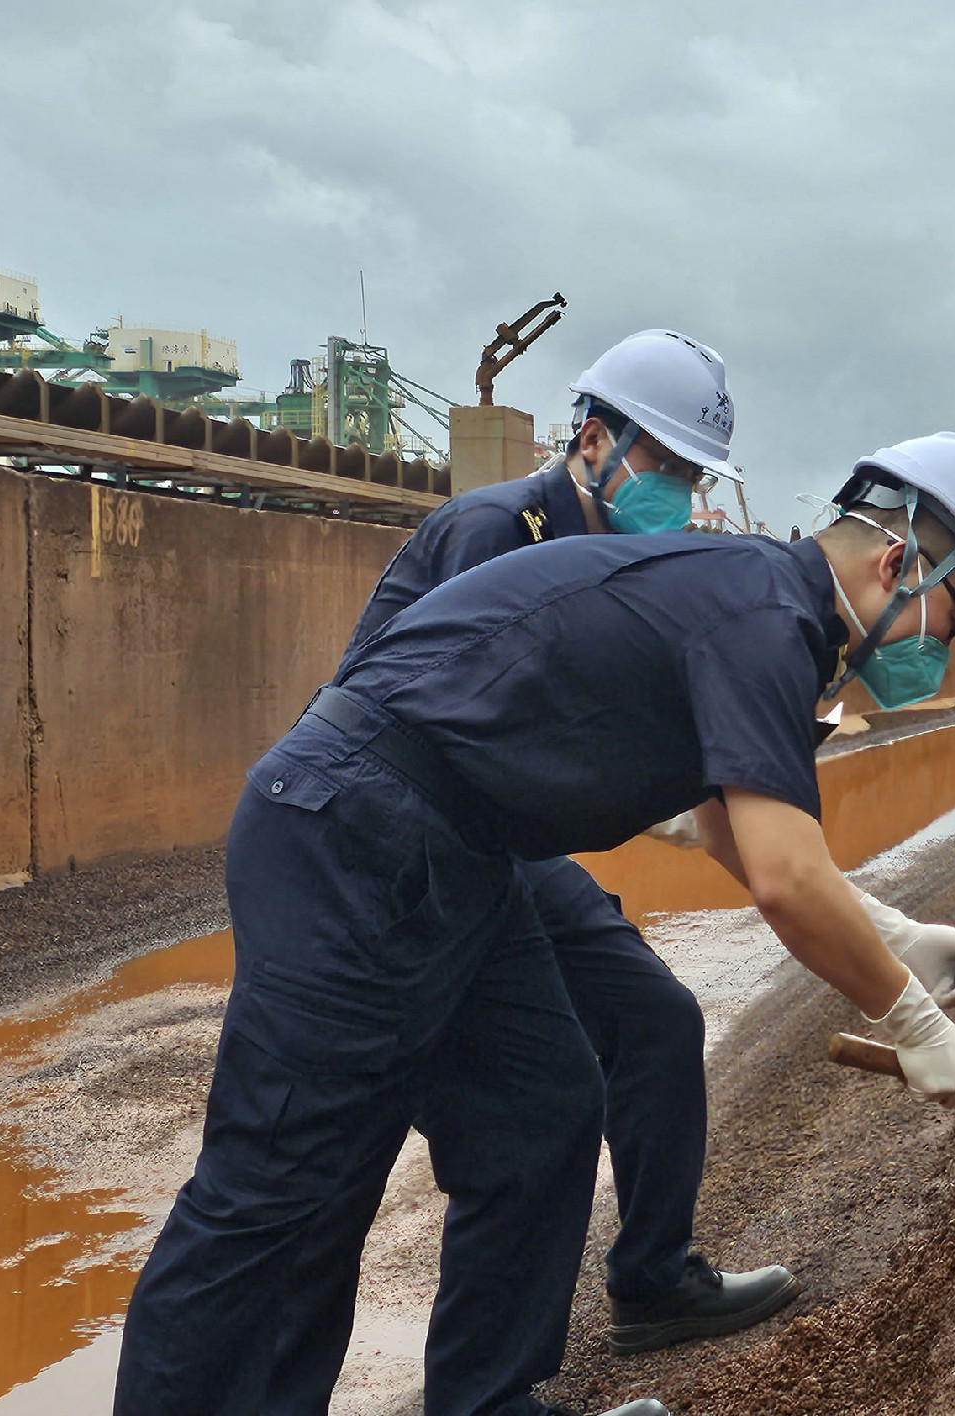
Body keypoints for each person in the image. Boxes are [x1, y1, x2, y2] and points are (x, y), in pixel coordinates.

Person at [113, 430, 955, 1416]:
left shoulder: (771, 607)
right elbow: (783, 878)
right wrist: (908, 1014)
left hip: (458, 849)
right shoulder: (764, 617)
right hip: (359, 831)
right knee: (283, 1187)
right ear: (901, 562)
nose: (946, 645)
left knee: (538, 1109)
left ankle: (488, 1403)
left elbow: (737, 823)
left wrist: (889, 935)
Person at [338, 330, 801, 1361]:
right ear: (594, 439)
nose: (679, 493)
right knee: (530, 1106)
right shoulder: (498, 529)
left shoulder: (626, 559)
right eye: (668, 467)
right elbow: (463, 726)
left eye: (692, 476)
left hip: (501, 842)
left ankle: (653, 1279)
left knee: (654, 1020)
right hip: (414, 836)